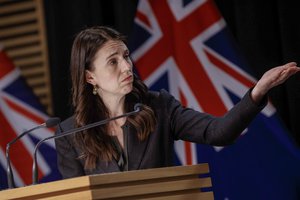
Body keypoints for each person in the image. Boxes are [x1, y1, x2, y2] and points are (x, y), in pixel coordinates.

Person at [54, 26, 300, 179]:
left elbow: (219, 132)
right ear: (90, 76)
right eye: (113, 61)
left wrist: (258, 91)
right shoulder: (70, 134)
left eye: (126, 56)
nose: (127, 66)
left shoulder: (158, 107)